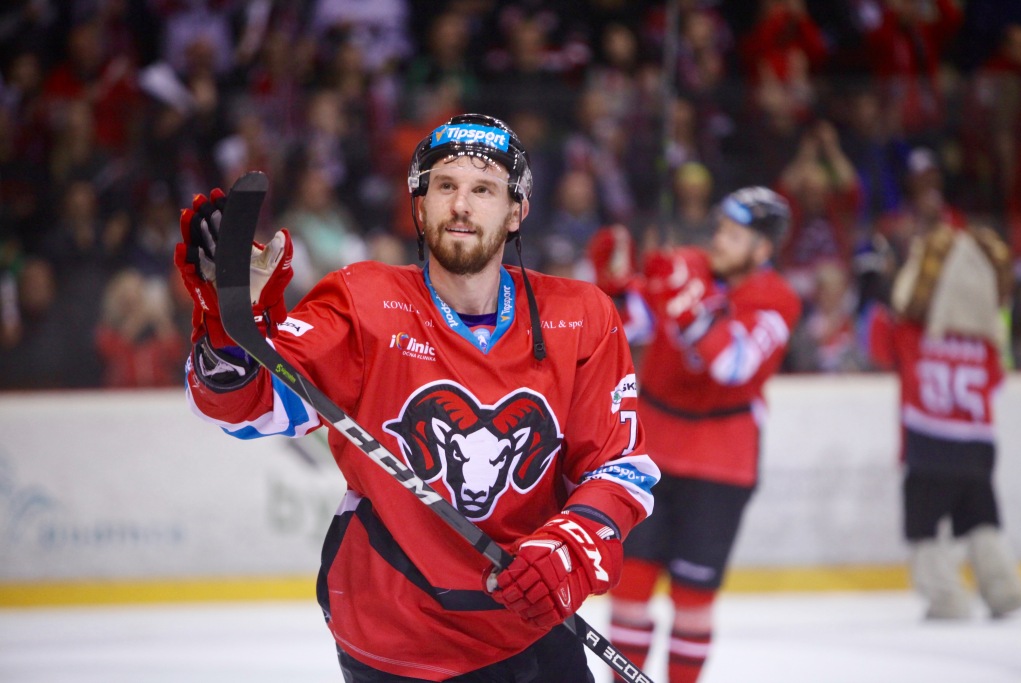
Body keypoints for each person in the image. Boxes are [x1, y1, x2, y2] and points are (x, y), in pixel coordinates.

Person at [173, 113, 660, 681]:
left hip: (530, 614)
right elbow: (252, 408)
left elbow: (620, 468)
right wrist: (230, 329)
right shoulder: (365, 302)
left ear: (516, 211)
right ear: (420, 206)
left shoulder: (580, 317)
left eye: (484, 190)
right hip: (397, 634)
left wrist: (566, 550)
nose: (461, 205)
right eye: (445, 186)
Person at [606, 187, 802, 683]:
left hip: (721, 464)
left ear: (762, 249)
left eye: (734, 235)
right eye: (720, 230)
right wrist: (617, 284)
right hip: (650, 453)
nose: (719, 241)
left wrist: (688, 307)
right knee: (629, 590)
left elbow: (734, 364)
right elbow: (629, 327)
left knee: (693, 602)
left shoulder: (777, 299)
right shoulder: (687, 266)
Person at [868, 221, 1021, 620]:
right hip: (977, 446)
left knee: (923, 526)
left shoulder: (913, 334)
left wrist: (884, 304)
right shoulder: (984, 342)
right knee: (981, 519)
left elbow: (881, 350)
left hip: (928, 444)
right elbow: (994, 382)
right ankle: (1003, 589)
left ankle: (946, 598)